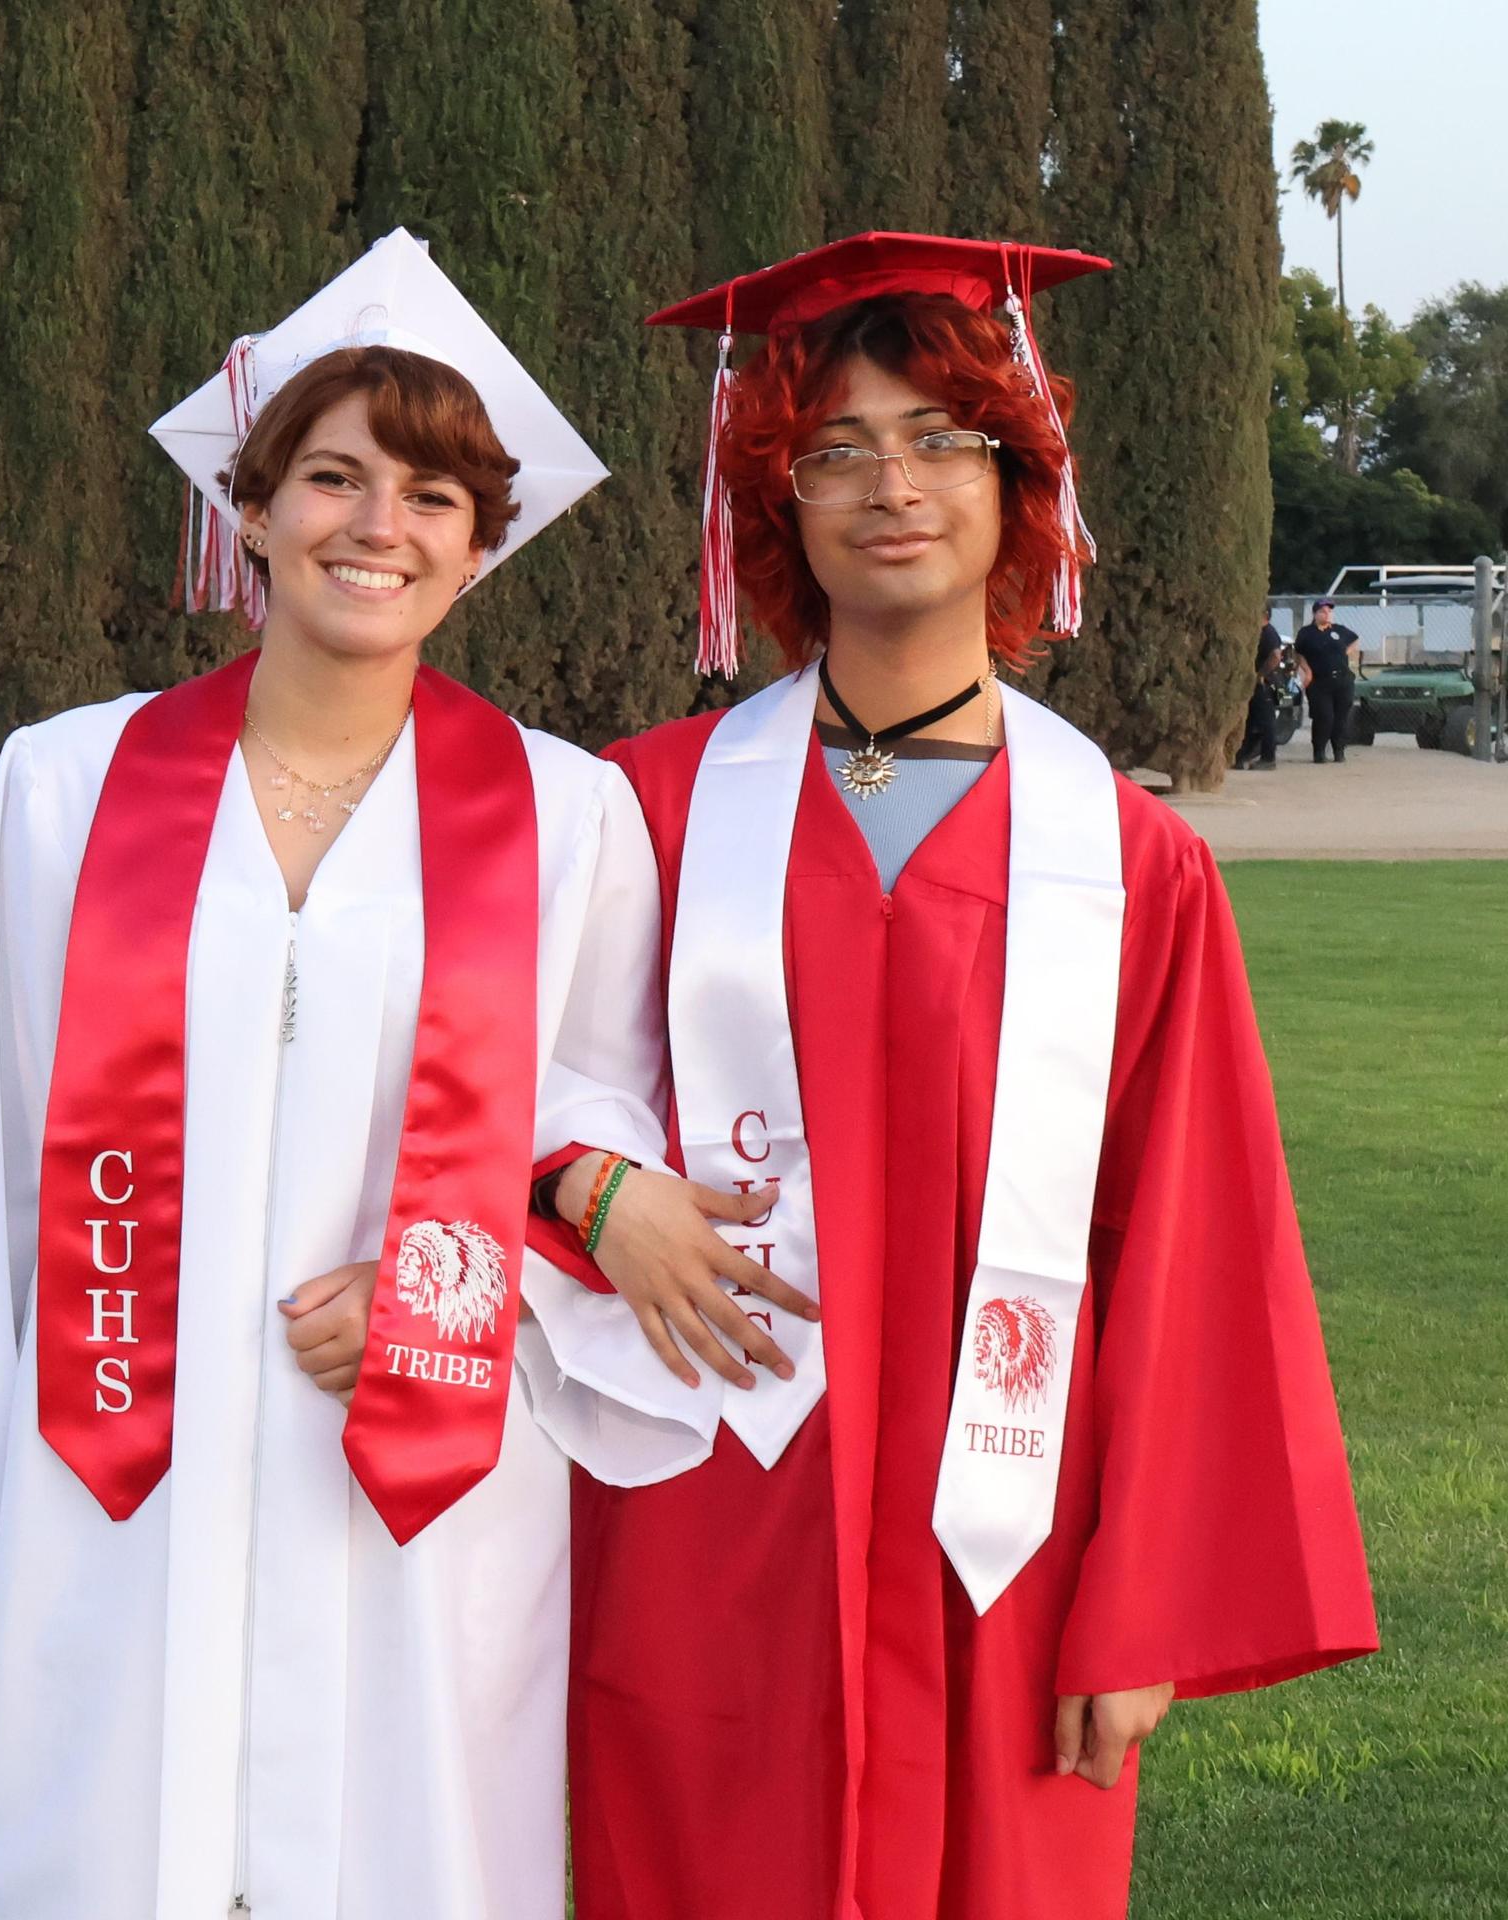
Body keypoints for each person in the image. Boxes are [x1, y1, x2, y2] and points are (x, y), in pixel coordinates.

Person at [0, 230, 777, 1920]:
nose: (378, 524)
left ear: (478, 543)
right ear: (254, 505)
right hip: (103, 1484)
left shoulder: (569, 818)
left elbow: (591, 1130)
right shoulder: (65, 795)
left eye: (432, 494)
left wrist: (456, 1280)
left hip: (418, 1483)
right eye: (333, 476)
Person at [539, 232, 1379, 1920]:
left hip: (1012, 1547)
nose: (889, 485)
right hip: (714, 1518)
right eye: (833, 450)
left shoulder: (1131, 868)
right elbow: (468, 1087)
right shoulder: (639, 811)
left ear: (1021, 487)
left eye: (940, 439)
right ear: (774, 502)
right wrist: (587, 1186)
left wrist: (1136, 1603)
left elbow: (1195, 1255)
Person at [1295, 597, 1361, 762]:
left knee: (1341, 717)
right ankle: (1319, 751)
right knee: (1324, 716)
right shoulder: (1307, 633)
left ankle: (1339, 750)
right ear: (1315, 613)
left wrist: (1346, 652)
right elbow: (1298, 653)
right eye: (1323, 611)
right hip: (1319, 682)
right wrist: (1307, 671)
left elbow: (1355, 640)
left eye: (1329, 611)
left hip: (1342, 680)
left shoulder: (1339, 630)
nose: (1327, 614)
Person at [1236, 606, 1284, 769]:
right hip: (1255, 684)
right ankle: (1242, 756)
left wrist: (1261, 674)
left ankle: (1268, 758)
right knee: (1252, 721)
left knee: (1266, 722)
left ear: (1265, 615)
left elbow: (1276, 656)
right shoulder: (1257, 633)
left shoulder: (1269, 633)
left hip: (1265, 684)